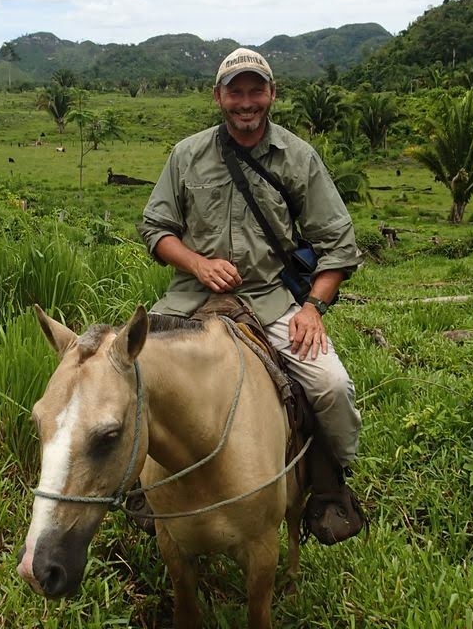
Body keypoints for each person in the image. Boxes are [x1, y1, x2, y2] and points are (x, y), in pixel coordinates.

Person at [137, 47, 363, 485]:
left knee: (331, 387)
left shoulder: (298, 158)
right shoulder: (187, 155)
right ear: (218, 97)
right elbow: (155, 227)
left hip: (271, 300)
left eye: (255, 90)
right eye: (235, 91)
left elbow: (339, 245)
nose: (246, 102)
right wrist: (198, 264)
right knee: (129, 376)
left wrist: (313, 308)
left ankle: (331, 484)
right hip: (189, 297)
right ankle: (138, 488)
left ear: (272, 94)